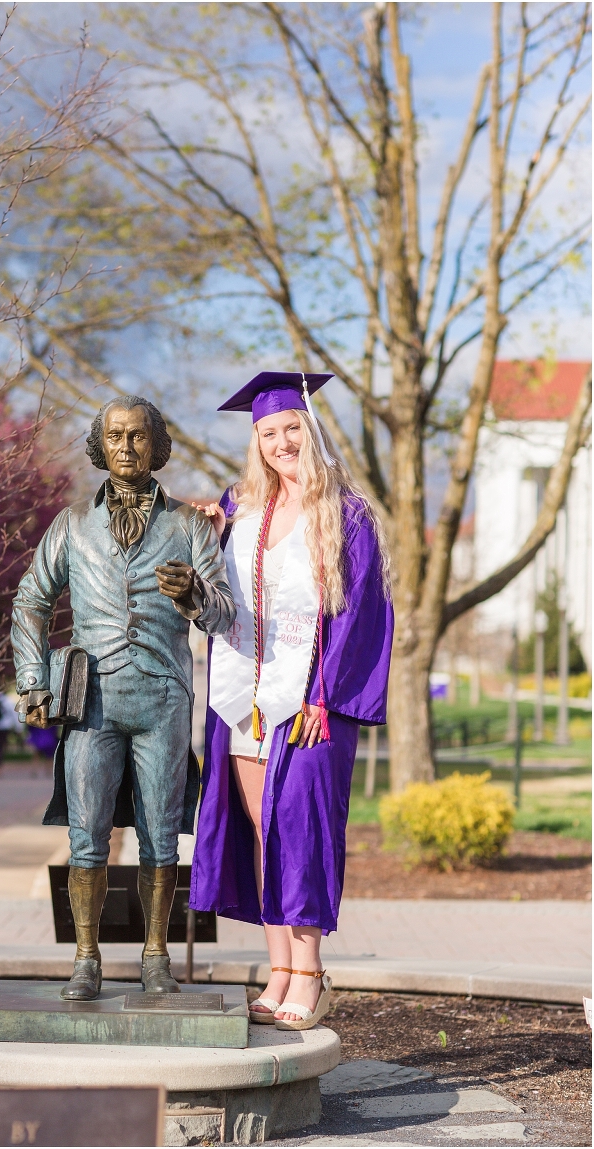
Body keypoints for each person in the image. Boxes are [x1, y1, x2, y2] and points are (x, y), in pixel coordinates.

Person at [11, 395, 235, 1001]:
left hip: (162, 696)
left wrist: (193, 594)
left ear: (157, 445)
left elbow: (225, 614)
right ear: (100, 445)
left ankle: (156, 956)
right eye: (115, 437)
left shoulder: (189, 527)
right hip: (91, 701)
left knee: (162, 833)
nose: (127, 447)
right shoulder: (72, 526)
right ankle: (86, 958)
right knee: (86, 832)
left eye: (139, 436)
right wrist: (33, 681)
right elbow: (32, 600)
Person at [190, 371, 394, 1030]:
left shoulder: (348, 514)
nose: (280, 442)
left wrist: (323, 695)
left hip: (308, 704)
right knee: (257, 828)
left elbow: (361, 612)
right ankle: (278, 969)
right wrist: (199, 530)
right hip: (239, 695)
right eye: (268, 432)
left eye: (290, 429)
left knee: (300, 828)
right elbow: (210, 585)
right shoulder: (242, 506)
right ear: (256, 440)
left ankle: (310, 973)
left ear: (310, 431)